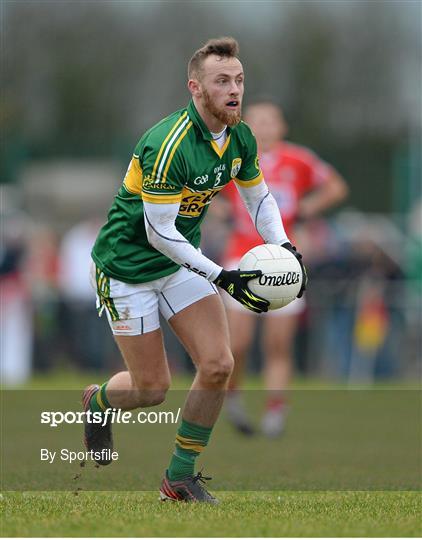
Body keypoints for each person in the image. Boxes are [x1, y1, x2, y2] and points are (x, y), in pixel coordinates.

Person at [84, 37, 305, 504]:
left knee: (219, 364)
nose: (234, 90)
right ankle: (98, 402)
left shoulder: (241, 135)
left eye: (239, 80)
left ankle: (179, 477)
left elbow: (258, 198)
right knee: (151, 388)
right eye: (222, 80)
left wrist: (282, 243)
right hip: (127, 267)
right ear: (195, 88)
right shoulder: (168, 144)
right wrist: (221, 275)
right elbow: (160, 232)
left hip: (181, 264)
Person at [222, 100, 348, 437]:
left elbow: (336, 186)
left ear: (282, 126)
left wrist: (309, 207)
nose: (263, 127)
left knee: (278, 343)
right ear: (245, 126)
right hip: (242, 258)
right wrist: (219, 212)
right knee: (238, 344)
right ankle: (233, 398)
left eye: (270, 121)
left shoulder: (299, 159)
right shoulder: (232, 155)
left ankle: (275, 411)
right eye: (257, 121)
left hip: (284, 260)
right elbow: (203, 191)